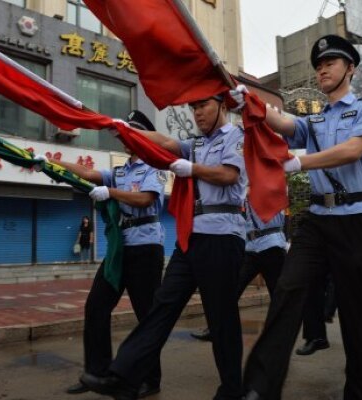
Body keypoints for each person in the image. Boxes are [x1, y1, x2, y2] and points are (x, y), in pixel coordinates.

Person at [235, 34, 362, 400]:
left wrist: (302, 161)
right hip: (317, 218)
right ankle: (260, 386)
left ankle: (359, 390)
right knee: (287, 289)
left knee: (356, 310)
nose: (322, 70)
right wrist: (248, 103)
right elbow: (283, 124)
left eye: (330, 63)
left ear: (350, 68)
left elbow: (353, 149)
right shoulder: (314, 117)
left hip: (357, 218)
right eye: (318, 66)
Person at [81, 94, 247, 400]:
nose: (197, 113)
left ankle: (231, 389)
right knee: (161, 308)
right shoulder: (195, 144)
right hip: (191, 237)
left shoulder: (236, 135)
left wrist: (192, 170)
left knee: (221, 317)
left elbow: (228, 175)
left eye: (203, 105)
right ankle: (124, 376)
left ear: (222, 105)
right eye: (193, 107)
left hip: (223, 236)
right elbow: (166, 143)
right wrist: (122, 129)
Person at [35, 110, 166, 398]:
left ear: (143, 136)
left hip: (146, 248)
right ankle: (97, 372)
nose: (125, 138)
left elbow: (146, 199)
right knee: (96, 306)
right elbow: (86, 173)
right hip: (121, 250)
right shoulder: (119, 171)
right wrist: (50, 162)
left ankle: (150, 378)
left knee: (147, 315)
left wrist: (112, 193)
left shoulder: (153, 167)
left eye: (132, 132)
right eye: (124, 133)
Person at [191, 196, 287, 342]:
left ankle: (281, 336)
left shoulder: (269, 183)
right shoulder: (243, 193)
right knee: (231, 289)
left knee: (278, 294)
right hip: (251, 248)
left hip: (272, 245)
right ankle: (216, 329)